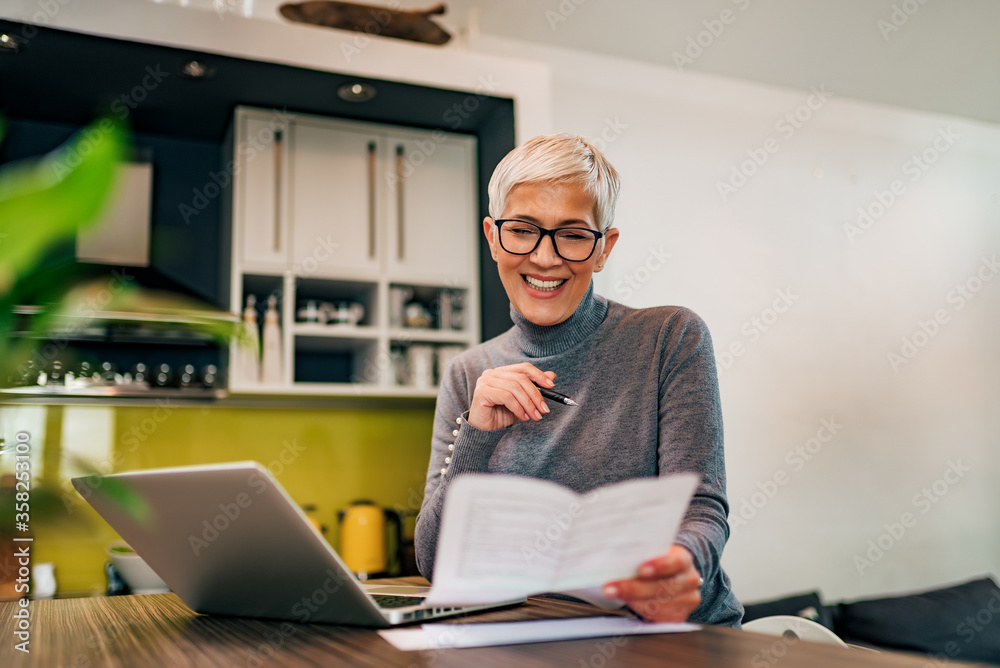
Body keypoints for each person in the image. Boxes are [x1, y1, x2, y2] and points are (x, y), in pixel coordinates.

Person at [414, 133, 743, 626]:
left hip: (669, 635)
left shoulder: (671, 337)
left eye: (571, 234)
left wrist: (679, 565)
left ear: (604, 248)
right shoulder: (468, 374)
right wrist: (477, 433)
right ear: (492, 237)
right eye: (523, 229)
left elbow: (700, 507)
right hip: (535, 638)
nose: (546, 258)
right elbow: (433, 561)